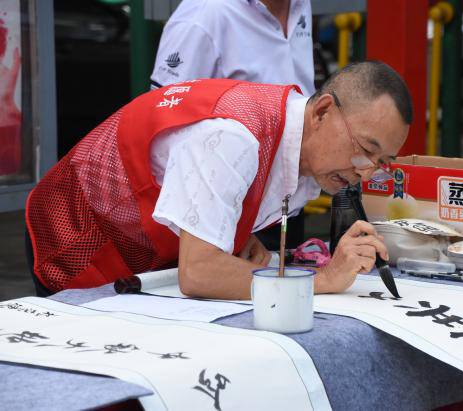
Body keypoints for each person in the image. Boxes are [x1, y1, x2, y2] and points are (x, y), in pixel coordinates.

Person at [25, 61, 413, 300]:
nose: (366, 171)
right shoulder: (233, 136)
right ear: (323, 111)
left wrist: (237, 232)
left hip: (146, 250)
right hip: (77, 235)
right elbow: (199, 273)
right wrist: (322, 279)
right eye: (366, 149)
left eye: (381, 162)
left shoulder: (306, 145)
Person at [150, 0, 316, 250]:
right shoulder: (204, 14)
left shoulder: (299, 4)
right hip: (227, 214)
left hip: (287, 203)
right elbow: (163, 118)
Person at [150, 0, 314, 96]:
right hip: (231, 145)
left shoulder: (299, 3)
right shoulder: (203, 14)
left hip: (306, 140)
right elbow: (165, 114)